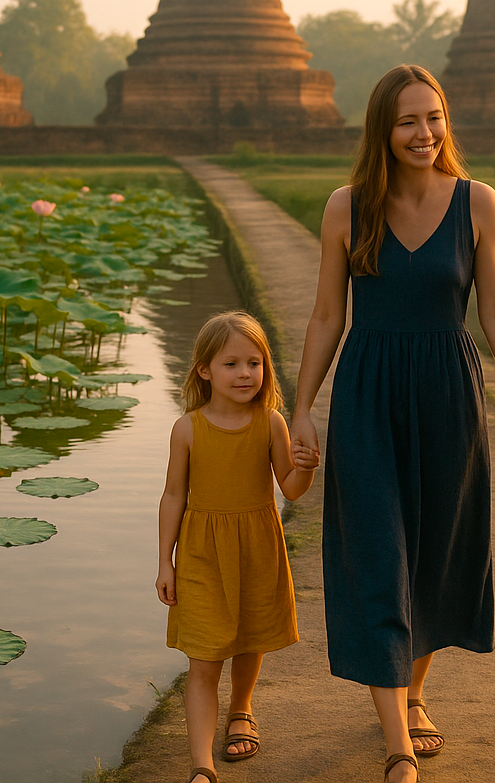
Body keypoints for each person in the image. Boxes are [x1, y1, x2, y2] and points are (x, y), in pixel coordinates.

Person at [290, 64, 495, 783]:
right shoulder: (346, 207)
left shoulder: (478, 203)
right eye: (407, 121)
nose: (423, 133)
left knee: (436, 549)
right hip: (368, 393)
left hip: (447, 394)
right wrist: (300, 408)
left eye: (433, 117)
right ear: (383, 131)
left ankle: (416, 691)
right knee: (376, 553)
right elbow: (328, 315)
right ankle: (397, 741)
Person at [157, 310, 318, 783]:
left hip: (257, 548)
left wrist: (305, 465)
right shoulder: (187, 429)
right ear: (204, 370)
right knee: (204, 658)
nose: (245, 373)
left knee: (251, 636)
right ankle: (202, 766)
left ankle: (242, 708)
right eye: (231, 364)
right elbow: (172, 497)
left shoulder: (270, 423)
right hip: (201, 554)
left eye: (254, 362)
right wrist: (164, 561)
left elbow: (290, 488)